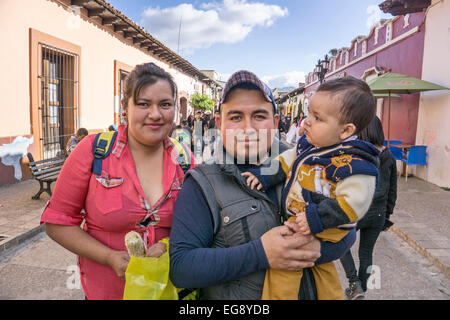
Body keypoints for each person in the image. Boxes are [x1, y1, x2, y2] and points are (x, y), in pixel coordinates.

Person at [169, 70, 356, 300]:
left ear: (275, 122)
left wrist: (319, 250)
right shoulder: (202, 183)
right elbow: (182, 268)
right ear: (219, 123)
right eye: (236, 117)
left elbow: (348, 226)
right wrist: (261, 253)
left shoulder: (310, 165)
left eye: (259, 116)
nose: (248, 128)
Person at [40, 62, 194, 300]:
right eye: (143, 104)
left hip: (167, 290)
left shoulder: (183, 158)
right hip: (106, 292)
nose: (155, 114)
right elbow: (57, 222)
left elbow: (199, 224)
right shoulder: (94, 151)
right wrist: (108, 257)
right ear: (126, 108)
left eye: (165, 104)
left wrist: (167, 245)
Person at [242, 76, 380, 299]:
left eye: (317, 118)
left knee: (286, 263)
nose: (306, 121)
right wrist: (264, 176)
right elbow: (287, 160)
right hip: (312, 222)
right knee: (323, 271)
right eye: (309, 113)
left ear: (345, 131)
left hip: (327, 226)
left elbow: (355, 203)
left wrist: (317, 218)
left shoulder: (355, 163)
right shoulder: (312, 146)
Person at [339, 116, 397, 299]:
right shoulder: (388, 155)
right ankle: (360, 289)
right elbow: (392, 189)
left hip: (356, 210)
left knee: (339, 243)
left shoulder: (354, 153)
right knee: (366, 253)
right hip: (378, 213)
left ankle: (354, 283)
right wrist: (387, 215)